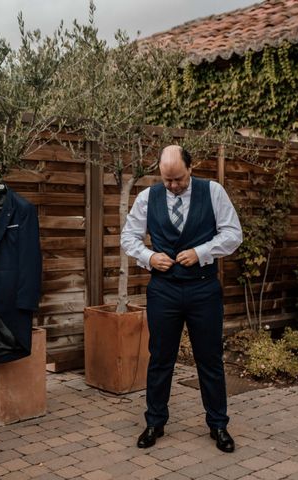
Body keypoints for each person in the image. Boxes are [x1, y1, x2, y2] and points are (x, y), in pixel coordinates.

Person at [120, 145, 243, 453]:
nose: (173, 186)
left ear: (191, 167)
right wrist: (149, 257)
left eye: (179, 179)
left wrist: (202, 252)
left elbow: (233, 234)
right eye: (167, 180)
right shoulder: (147, 197)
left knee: (210, 359)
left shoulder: (213, 192)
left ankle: (218, 424)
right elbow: (128, 237)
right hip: (163, 290)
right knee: (160, 358)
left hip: (203, 288)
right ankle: (155, 421)